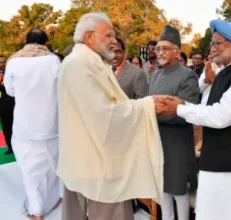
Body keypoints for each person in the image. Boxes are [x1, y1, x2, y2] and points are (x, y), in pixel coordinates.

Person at [57, 12, 165, 220]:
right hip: (95, 163)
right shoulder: (78, 65)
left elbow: (114, 105)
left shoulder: (91, 62)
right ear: (90, 37)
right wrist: (148, 106)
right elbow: (103, 116)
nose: (114, 42)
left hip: (94, 158)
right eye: (109, 36)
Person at [155, 19, 231, 220]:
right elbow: (206, 108)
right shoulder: (222, 72)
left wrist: (178, 108)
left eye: (217, 43)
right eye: (212, 44)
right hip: (214, 160)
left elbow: (221, 116)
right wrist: (198, 91)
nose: (212, 49)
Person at [3, 29, 62, 220]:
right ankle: (52, 201)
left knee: (30, 170)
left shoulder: (13, 61)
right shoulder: (53, 60)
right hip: (51, 124)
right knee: (53, 167)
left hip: (25, 125)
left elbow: (10, 91)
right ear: (45, 42)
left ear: (26, 41)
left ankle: (36, 209)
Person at [148, 25, 199, 220]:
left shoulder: (187, 75)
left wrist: (155, 111)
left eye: (165, 48)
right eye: (158, 48)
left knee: (178, 189)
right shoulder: (153, 76)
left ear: (177, 52)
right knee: (163, 187)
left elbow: (189, 110)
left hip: (177, 141)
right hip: (157, 140)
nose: (160, 52)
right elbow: (148, 105)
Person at [0, 55, 15, 155]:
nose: (2, 64)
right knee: (6, 127)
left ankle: (19, 147)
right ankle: (10, 147)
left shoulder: (12, 73)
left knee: (16, 126)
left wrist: (2, 84)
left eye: (4, 62)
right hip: (2, 105)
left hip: (14, 103)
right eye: (0, 62)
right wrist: (1, 84)